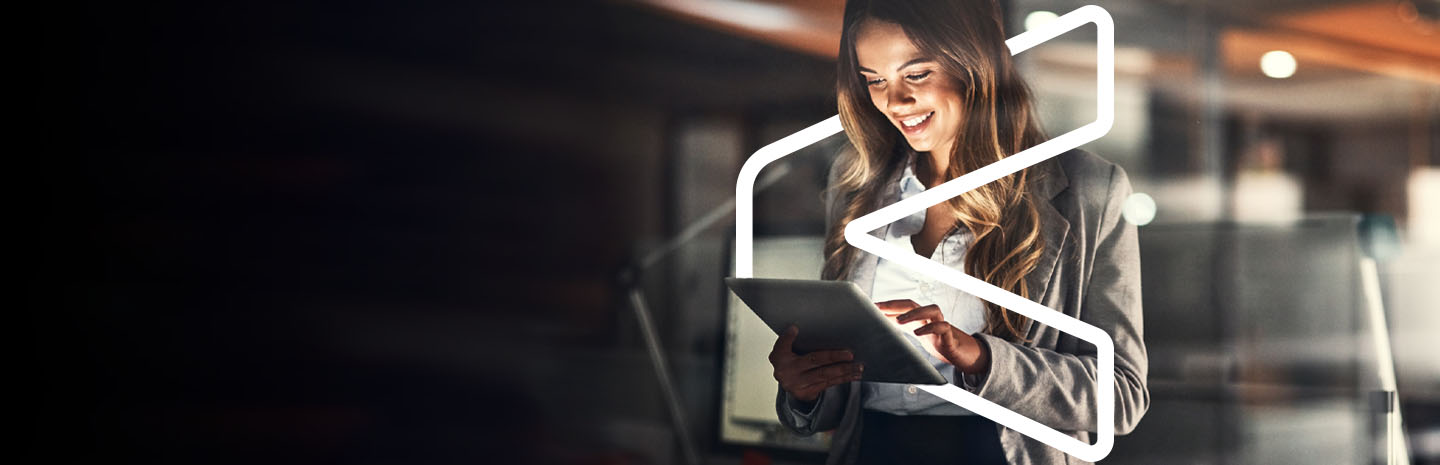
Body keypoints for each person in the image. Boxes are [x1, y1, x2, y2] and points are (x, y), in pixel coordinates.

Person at [767, 0, 1149, 464]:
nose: (894, 101)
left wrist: (980, 358)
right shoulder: (856, 188)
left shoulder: (1088, 190)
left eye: (917, 73)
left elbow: (1122, 395)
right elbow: (844, 405)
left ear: (973, 63)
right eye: (875, 80)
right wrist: (805, 389)